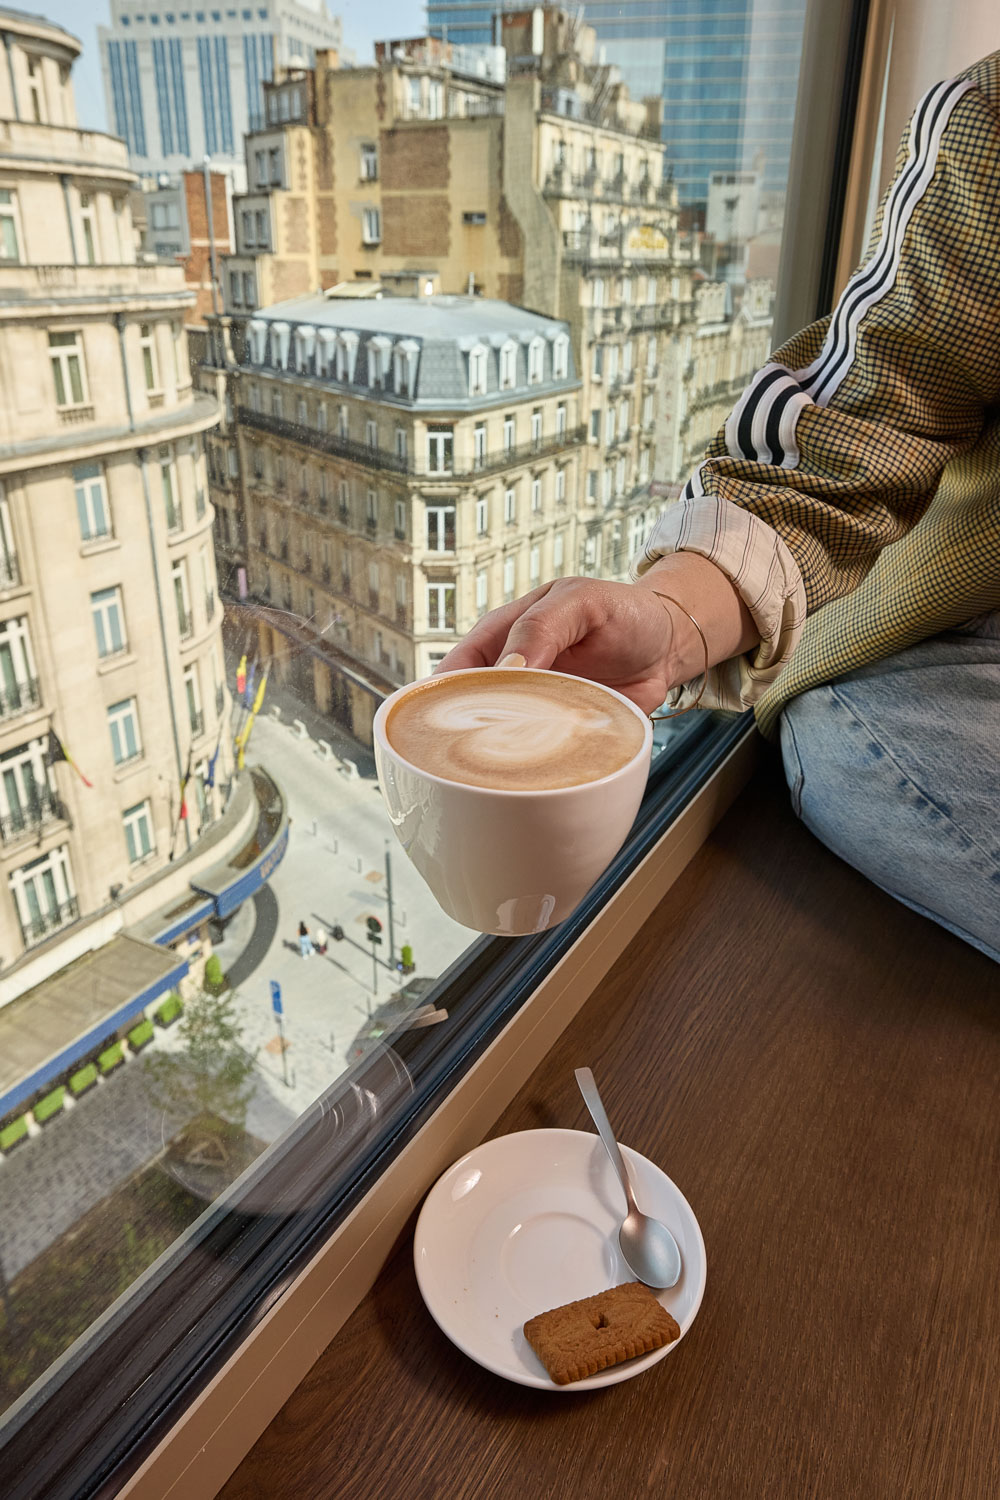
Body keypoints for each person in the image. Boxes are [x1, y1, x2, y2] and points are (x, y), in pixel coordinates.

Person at [439, 50, 1000, 965]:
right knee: (847, 739)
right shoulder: (993, 131)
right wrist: (672, 622)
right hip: (966, 649)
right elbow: (851, 439)